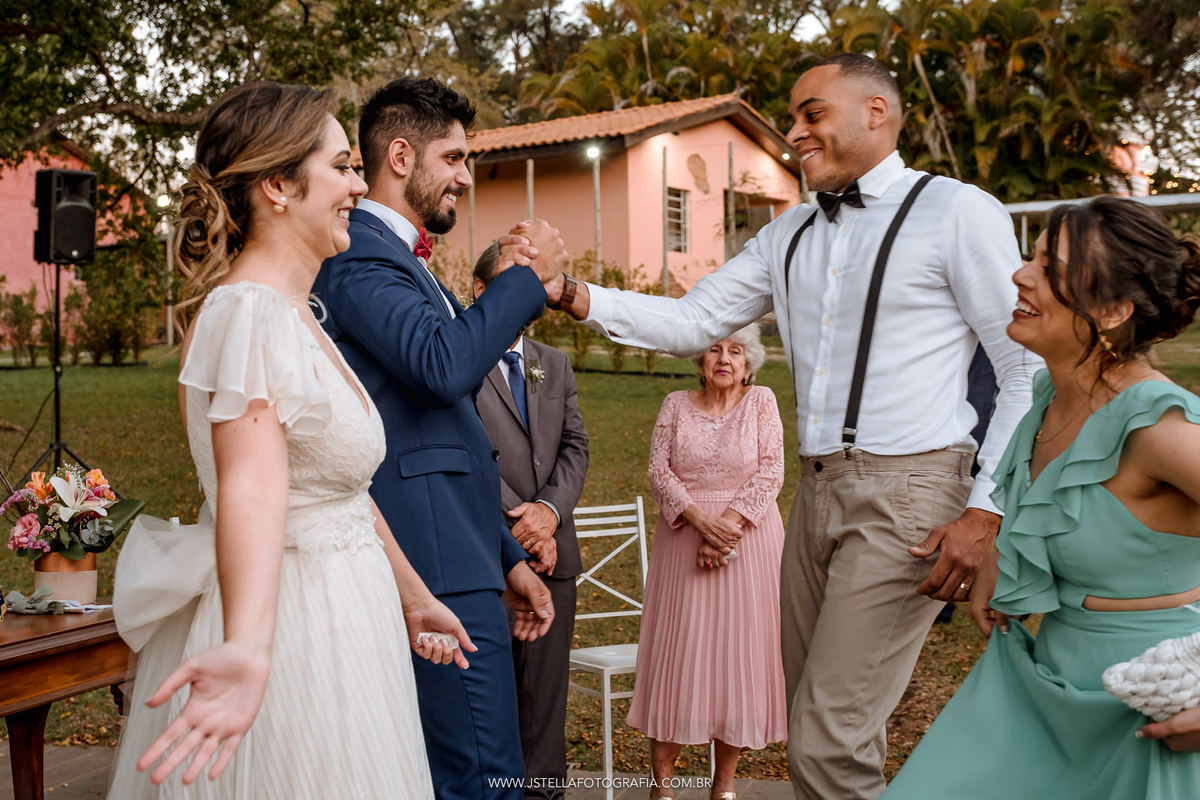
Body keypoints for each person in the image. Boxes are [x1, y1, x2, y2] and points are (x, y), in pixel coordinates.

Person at [523, 52, 1040, 798]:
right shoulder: (788, 233)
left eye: (811, 113)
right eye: (793, 116)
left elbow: (1022, 368)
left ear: (877, 114)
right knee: (809, 719)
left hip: (913, 494)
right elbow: (693, 318)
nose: (794, 130)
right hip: (817, 493)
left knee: (828, 739)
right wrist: (568, 291)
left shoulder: (955, 210)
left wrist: (988, 507)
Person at [108, 82, 472, 799]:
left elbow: (339, 487)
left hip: (352, 616)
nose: (359, 186)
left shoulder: (296, 312)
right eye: (342, 167)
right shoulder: (247, 312)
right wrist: (247, 646)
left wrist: (413, 596)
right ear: (278, 185)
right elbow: (251, 484)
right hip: (296, 631)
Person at [882, 197, 1200, 798]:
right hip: (1042, 687)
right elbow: (1070, 507)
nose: (1020, 274)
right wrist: (1009, 554)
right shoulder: (1045, 403)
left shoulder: (1158, 428)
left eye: (1050, 269)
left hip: (1153, 704)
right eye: (1032, 257)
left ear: (1111, 311)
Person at [311, 77, 569, 800]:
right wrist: (523, 279)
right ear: (400, 155)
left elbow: (447, 438)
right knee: (483, 779)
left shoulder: (405, 262)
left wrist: (507, 558)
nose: (463, 175)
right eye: (453, 157)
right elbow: (442, 368)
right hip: (434, 571)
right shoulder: (362, 254)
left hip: (459, 555)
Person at [627, 324, 787, 799]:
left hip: (749, 541)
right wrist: (700, 521)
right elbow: (658, 470)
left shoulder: (762, 403)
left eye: (736, 351)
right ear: (699, 360)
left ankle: (724, 787)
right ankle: (663, 789)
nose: (724, 358)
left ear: (749, 364)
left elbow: (772, 469)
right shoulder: (675, 404)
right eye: (715, 349)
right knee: (678, 653)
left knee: (737, 658)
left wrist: (726, 529)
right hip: (682, 538)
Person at [473, 243, 591, 800]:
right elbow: (463, 450)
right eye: (507, 282)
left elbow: (575, 446)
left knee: (546, 700)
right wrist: (517, 528)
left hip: (554, 554)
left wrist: (547, 512)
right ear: (479, 292)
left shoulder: (555, 362)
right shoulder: (461, 363)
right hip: (489, 553)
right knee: (491, 696)